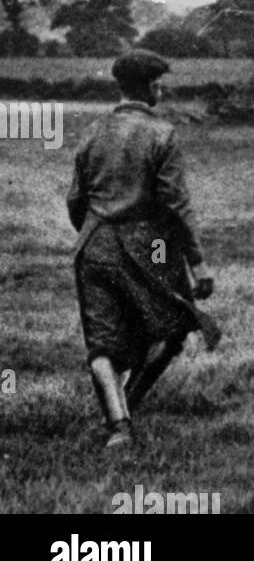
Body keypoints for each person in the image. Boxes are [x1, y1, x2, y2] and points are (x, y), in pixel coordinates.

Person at [67, 50, 218, 450]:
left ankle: (119, 425)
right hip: (148, 247)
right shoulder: (162, 134)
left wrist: (93, 233)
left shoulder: (91, 133)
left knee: (102, 343)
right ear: (151, 86)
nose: (161, 89)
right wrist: (197, 263)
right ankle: (128, 406)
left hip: (94, 245)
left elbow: (75, 201)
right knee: (174, 326)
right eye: (158, 83)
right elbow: (175, 204)